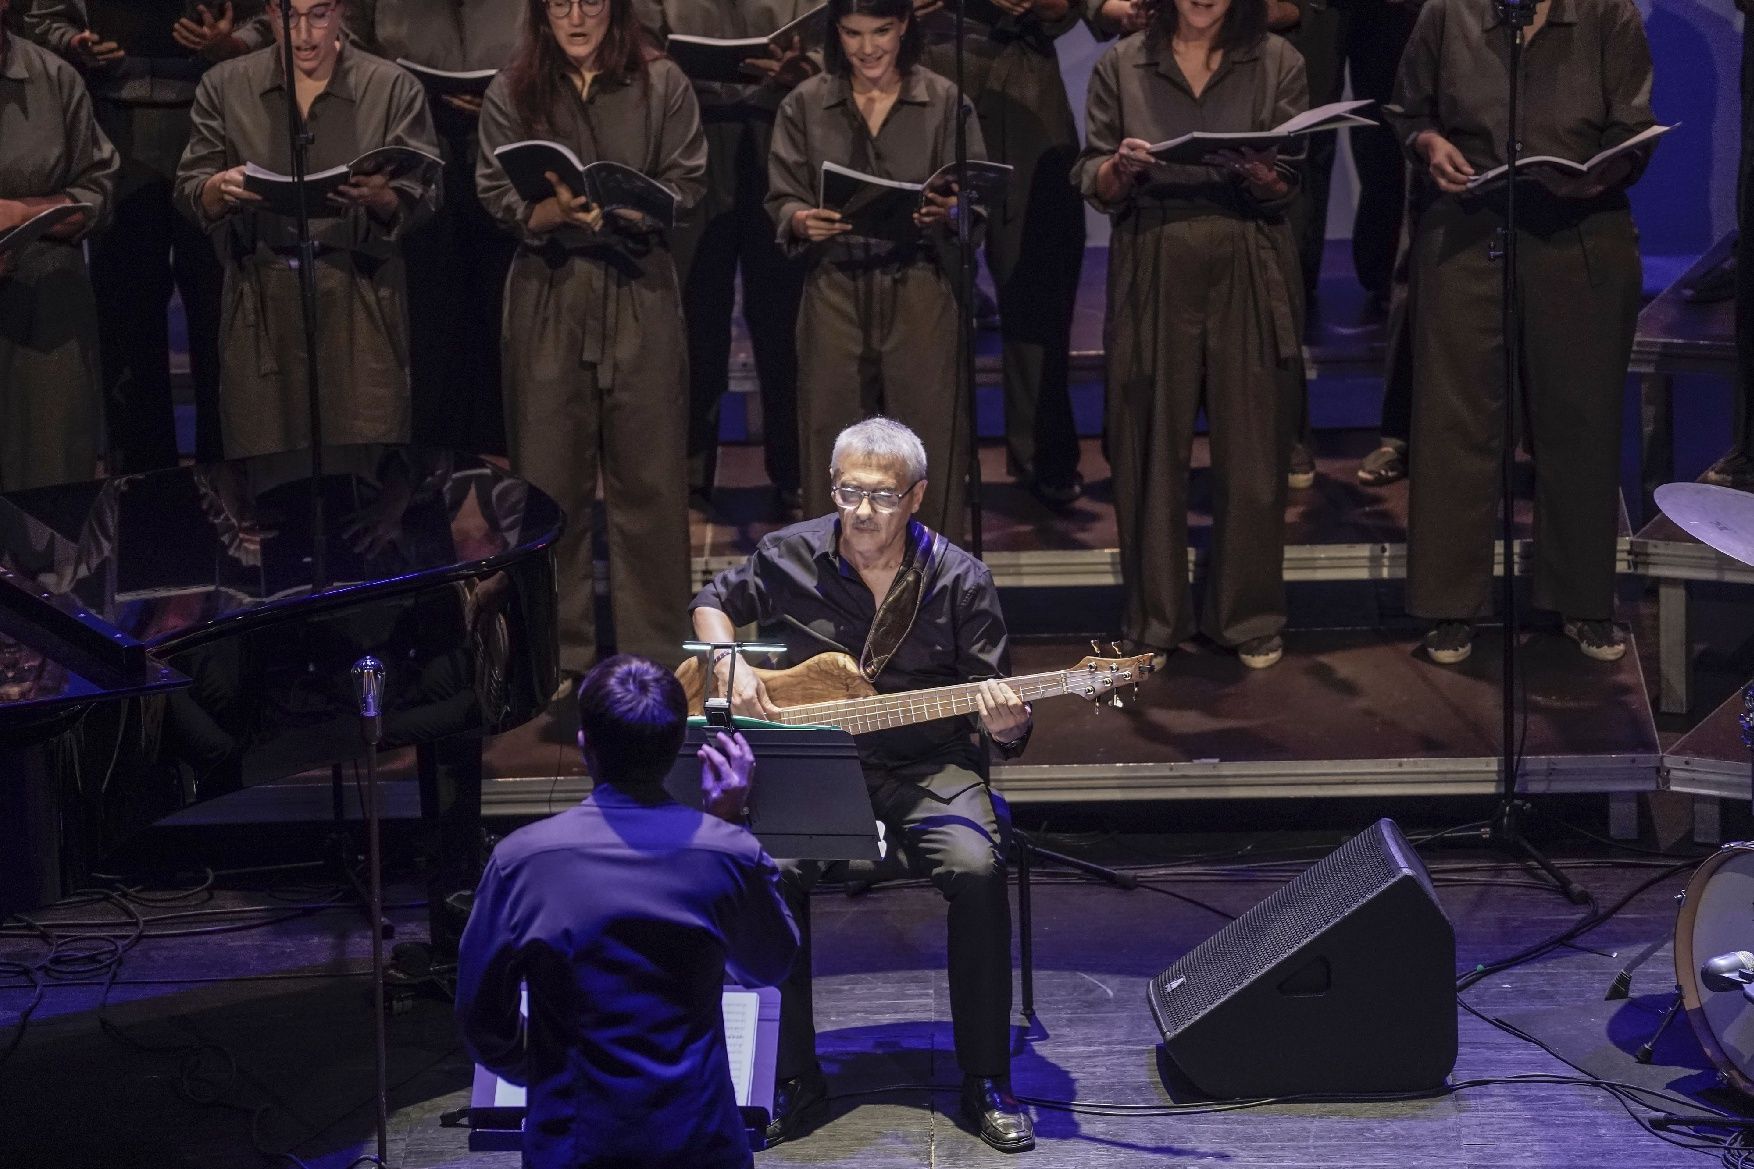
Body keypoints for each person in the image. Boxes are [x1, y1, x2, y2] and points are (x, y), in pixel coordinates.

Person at [691, 417, 1037, 1153]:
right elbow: (711, 601)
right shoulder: (787, 554)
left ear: (915, 497)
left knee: (977, 867)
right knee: (768, 871)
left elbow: (997, 713)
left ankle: (986, 1078)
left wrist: (1007, 725)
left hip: (929, 764)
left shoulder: (961, 578)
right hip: (815, 759)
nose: (863, 511)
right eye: (849, 492)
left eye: (881, 495)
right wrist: (732, 664)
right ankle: (793, 1076)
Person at [1387, 0, 1654, 665]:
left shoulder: (1606, 13)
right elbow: (1408, 111)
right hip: (1470, 225)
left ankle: (1583, 599)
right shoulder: (1448, 12)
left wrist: (1603, 170)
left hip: (1579, 232)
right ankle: (1451, 606)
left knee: (1580, 420)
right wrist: (1428, 145)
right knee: (1457, 422)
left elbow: (1634, 125)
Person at [456, 655, 799, 1169]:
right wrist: (729, 826)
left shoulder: (520, 863)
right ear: (679, 744)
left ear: (584, 746)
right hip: (701, 1144)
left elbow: (482, 1018)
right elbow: (768, 967)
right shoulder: (727, 853)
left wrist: (548, 1068)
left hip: (573, 1146)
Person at [475, 0, 706, 685]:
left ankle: (658, 656)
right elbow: (491, 184)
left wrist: (629, 206)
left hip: (638, 288)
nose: (577, 18)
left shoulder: (664, 83)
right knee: (549, 482)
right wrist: (542, 212)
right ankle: (558, 655)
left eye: (592, 2)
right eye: (561, 3)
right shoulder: (512, 87)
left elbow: (690, 180)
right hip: (551, 288)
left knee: (652, 482)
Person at [1072, 0, 1305, 669]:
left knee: (1253, 447)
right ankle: (1155, 619)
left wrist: (1262, 175)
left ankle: (1249, 615)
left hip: (1246, 252)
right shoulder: (1123, 62)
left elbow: (1290, 176)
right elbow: (1091, 170)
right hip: (1155, 254)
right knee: (1148, 442)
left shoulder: (1278, 60)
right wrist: (1120, 169)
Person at [174, 0, 441, 460]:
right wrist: (220, 188)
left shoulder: (391, 86)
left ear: (341, 12)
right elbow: (190, 188)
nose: (303, 34)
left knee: (364, 462)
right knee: (268, 468)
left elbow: (427, 193)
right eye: (286, 15)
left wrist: (380, 196)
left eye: (318, 14)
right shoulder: (225, 85)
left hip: (360, 290)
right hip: (261, 292)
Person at [765, 0, 985, 540]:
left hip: (918, 281)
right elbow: (782, 197)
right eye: (853, 34)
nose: (867, 49)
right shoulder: (807, 102)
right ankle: (836, 600)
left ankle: (931, 598)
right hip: (836, 286)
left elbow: (975, 201)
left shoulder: (943, 100)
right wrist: (799, 220)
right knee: (832, 445)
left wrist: (950, 212)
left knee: (927, 447)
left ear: (904, 26)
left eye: (881, 32)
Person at [21, 0, 272, 471]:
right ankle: (143, 488)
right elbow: (40, 17)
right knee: (128, 320)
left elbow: (273, 17)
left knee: (218, 310)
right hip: (117, 128)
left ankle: (229, 483)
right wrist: (75, 44)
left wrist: (232, 44)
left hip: (214, 122)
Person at [634, 0, 815, 519]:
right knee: (694, 312)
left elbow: (830, 40)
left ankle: (796, 473)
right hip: (692, 135)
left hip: (780, 131)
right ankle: (689, 474)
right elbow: (635, 40)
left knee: (785, 316)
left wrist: (808, 66)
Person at [919, 0, 1087, 507]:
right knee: (928, 278)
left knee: (1039, 270)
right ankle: (933, 461)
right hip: (926, 75)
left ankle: (1043, 451)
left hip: (1025, 83)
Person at [343, 0, 522, 455]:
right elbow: (353, 44)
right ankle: (427, 474)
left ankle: (500, 470)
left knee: (501, 317)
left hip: (508, 149)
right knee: (432, 320)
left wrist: (509, 100)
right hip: (417, 153)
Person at [0, 0, 119, 492]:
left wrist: (25, 214)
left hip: (44, 307)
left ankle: (46, 566)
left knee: (48, 482)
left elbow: (100, 192)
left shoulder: (54, 78)